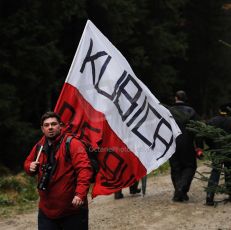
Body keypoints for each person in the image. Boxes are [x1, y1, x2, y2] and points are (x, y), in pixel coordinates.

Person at [24, 111, 93, 229]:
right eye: (46, 125)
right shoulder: (39, 146)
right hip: (46, 210)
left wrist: (80, 194)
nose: (50, 127)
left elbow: (84, 169)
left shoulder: (72, 143)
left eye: (53, 124)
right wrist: (29, 166)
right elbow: (27, 163)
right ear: (42, 129)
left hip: (72, 209)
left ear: (60, 126)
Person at [169, 90, 201, 202]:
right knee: (190, 166)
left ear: (176, 98)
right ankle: (181, 190)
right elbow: (198, 130)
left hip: (172, 144)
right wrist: (199, 146)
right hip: (188, 144)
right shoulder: (191, 111)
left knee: (175, 168)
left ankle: (179, 191)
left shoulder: (169, 111)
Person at [205, 103, 231, 206]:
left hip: (216, 151)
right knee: (229, 171)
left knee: (215, 172)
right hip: (229, 151)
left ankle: (209, 196)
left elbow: (206, 136)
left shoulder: (211, 121)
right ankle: (230, 193)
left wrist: (211, 146)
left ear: (219, 110)